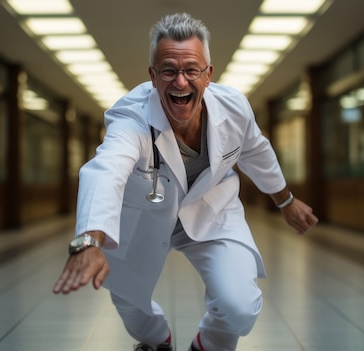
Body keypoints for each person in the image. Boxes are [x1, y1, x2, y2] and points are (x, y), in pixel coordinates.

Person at [52, 13, 318, 351]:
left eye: (191, 70)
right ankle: (157, 341)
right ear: (152, 76)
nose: (180, 82)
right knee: (129, 300)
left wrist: (286, 200)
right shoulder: (131, 116)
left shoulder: (234, 108)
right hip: (142, 218)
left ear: (208, 75)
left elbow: (256, 152)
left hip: (212, 209)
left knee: (239, 306)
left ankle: (206, 345)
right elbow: (106, 169)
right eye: (168, 70)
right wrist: (89, 241)